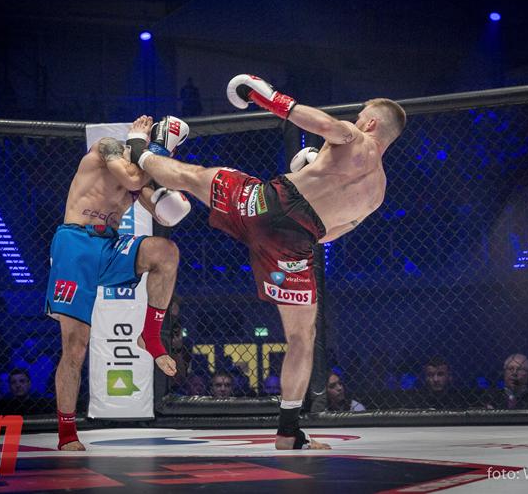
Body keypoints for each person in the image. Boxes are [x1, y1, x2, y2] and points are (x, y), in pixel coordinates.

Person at [129, 74, 406, 450]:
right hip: (295, 244)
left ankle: (141, 152)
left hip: (266, 204)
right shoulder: (377, 194)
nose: (356, 120)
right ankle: (289, 431)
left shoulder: (354, 136)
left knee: (196, 177)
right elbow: (328, 235)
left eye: (361, 116)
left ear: (371, 123)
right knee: (302, 338)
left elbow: (314, 120)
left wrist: (263, 95)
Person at [44, 114, 192, 451]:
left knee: (166, 252)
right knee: (76, 345)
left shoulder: (140, 180)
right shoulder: (108, 147)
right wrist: (149, 147)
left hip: (109, 246)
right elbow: (131, 175)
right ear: (143, 142)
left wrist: (168, 195)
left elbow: (166, 215)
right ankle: (67, 432)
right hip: (76, 244)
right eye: (157, 150)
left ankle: (150, 335)